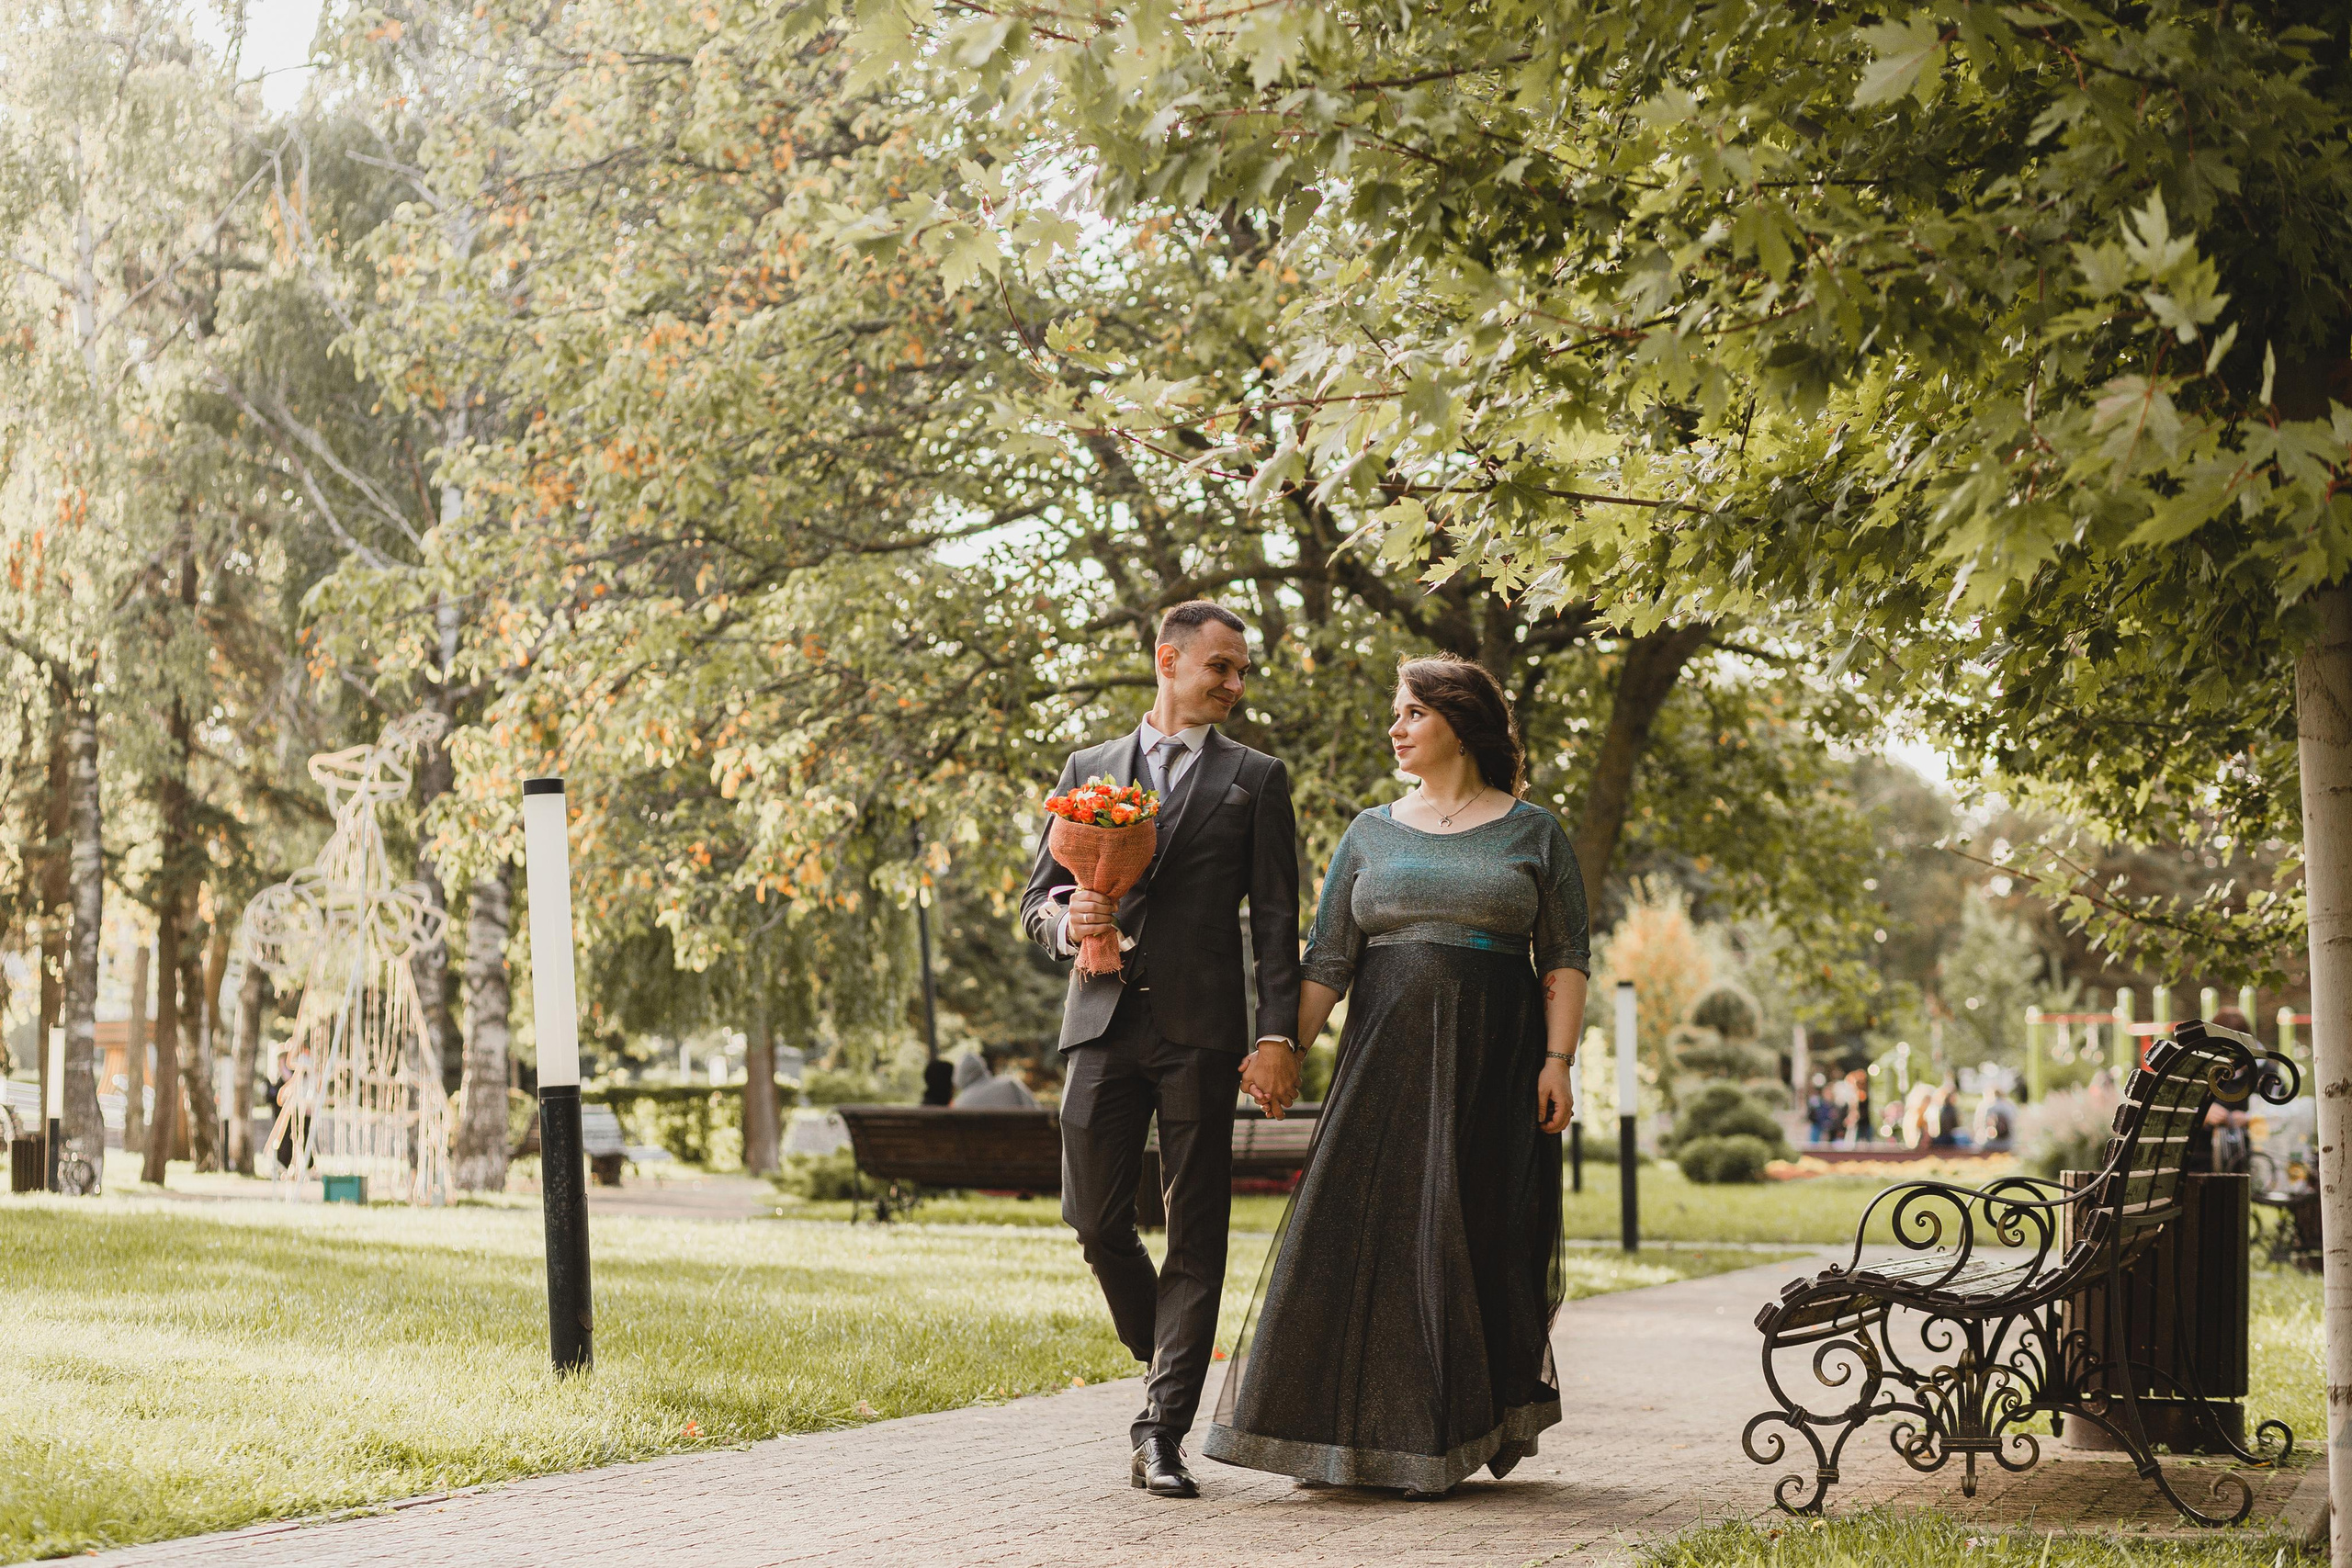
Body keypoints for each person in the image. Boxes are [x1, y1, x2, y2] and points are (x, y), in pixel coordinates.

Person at [1204, 653, 1587, 1498]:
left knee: (1471, 1237)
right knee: (1361, 1234)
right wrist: (1282, 1047)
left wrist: (1558, 1061)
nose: (1398, 727)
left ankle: (1447, 1435)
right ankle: (1339, 1438)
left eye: (1413, 711)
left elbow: (1564, 956)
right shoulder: (1369, 832)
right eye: (1397, 711)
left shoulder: (1534, 831)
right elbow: (1329, 958)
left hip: (1496, 1066)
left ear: (1459, 720)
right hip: (1383, 1061)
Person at [1019, 600, 1302, 1501]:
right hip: (1100, 1019)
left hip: (1201, 1031)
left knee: (1197, 1225)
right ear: (1167, 660)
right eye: (1220, 667)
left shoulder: (1257, 778)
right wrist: (1070, 921)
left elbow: (1276, 925)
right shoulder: (1086, 769)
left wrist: (1274, 1035)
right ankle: (1166, 1344)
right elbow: (1036, 902)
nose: (1234, 684)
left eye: (1241, 670)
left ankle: (1162, 1427)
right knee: (1094, 1221)